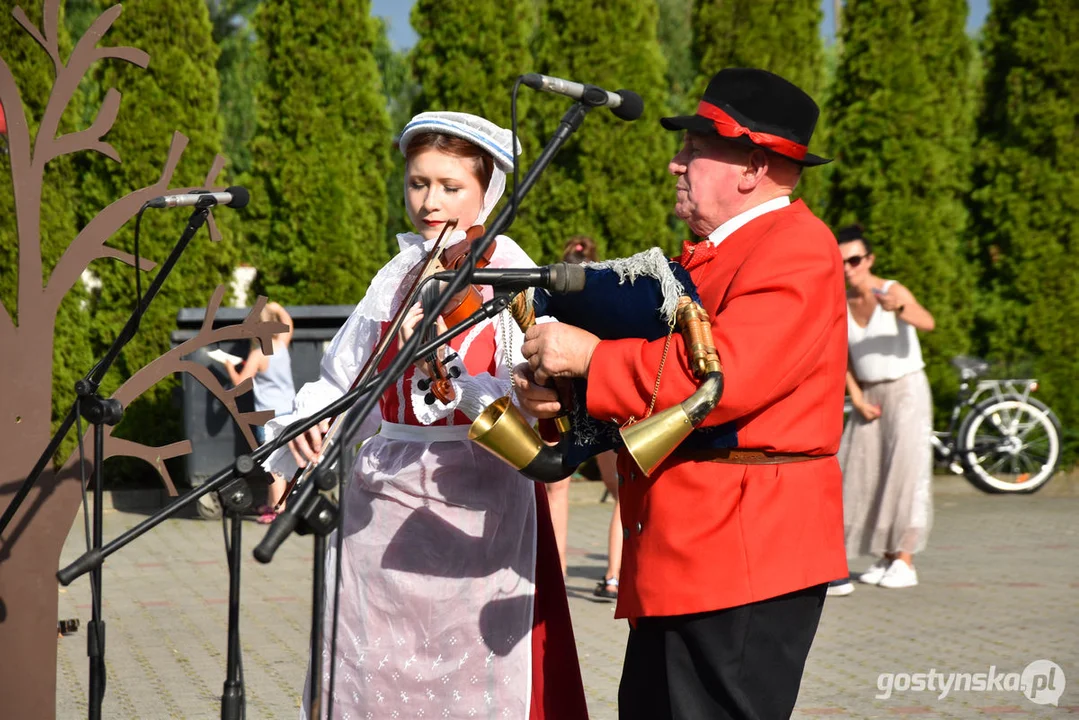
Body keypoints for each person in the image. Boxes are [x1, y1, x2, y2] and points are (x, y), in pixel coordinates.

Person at [514, 68, 848, 720]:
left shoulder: (797, 247)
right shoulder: (712, 253)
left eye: (696, 149)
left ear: (752, 165)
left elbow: (720, 380)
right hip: (692, 549)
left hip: (742, 553)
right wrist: (568, 395)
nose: (676, 162)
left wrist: (591, 359)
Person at [262, 112, 588, 719]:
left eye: (449, 186)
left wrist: (446, 363)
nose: (428, 202)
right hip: (379, 510)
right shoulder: (395, 275)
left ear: (484, 191)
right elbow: (343, 377)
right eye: (417, 183)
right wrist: (301, 432)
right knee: (370, 674)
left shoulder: (508, 270)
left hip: (478, 504)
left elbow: (524, 395)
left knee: (468, 688)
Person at [834, 224, 935, 593]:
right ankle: (886, 555)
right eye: (842, 261)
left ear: (869, 259)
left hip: (907, 389)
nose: (848, 268)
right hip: (870, 394)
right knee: (866, 472)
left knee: (906, 472)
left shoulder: (891, 290)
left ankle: (905, 559)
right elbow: (842, 357)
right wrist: (856, 397)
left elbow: (928, 322)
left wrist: (902, 307)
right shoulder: (842, 303)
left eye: (855, 260)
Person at [543, 236, 624, 599]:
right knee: (622, 491)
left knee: (554, 490)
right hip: (600, 404)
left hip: (560, 404)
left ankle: (555, 575)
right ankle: (613, 576)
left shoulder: (551, 300)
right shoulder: (606, 301)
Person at [224, 301, 296, 523]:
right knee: (279, 460)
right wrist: (277, 307)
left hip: (268, 418)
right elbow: (289, 323)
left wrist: (227, 364)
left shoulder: (258, 355)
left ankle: (276, 510)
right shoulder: (282, 343)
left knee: (273, 466)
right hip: (289, 411)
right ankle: (273, 503)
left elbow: (239, 384)